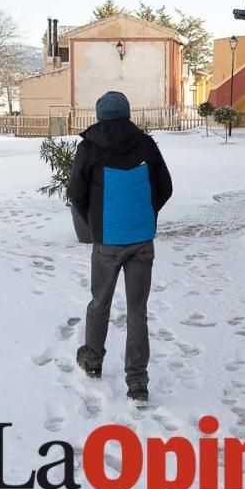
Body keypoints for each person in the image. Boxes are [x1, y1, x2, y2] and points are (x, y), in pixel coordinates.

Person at [68, 91, 172, 404]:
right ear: (126, 113)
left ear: (99, 115)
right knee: (137, 311)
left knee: (100, 301)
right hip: (142, 241)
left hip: (107, 242)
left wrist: (96, 223)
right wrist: (145, 215)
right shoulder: (146, 145)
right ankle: (137, 381)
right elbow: (164, 188)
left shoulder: (88, 148)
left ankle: (93, 359)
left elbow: (76, 193)